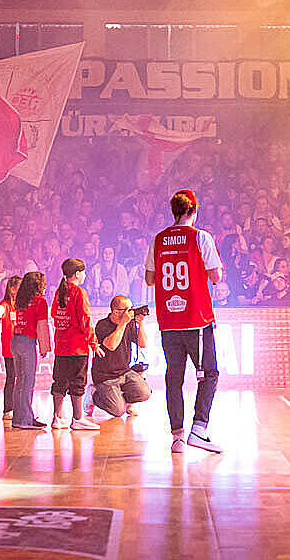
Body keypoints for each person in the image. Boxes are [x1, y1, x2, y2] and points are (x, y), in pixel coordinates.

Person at [146, 189, 225, 454]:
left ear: (174, 210)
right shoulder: (201, 237)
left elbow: (150, 279)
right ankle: (199, 430)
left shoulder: (158, 240)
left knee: (173, 379)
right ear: (194, 210)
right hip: (196, 320)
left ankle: (177, 436)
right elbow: (216, 276)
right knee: (209, 374)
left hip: (169, 321)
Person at [50, 258, 99, 431]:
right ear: (77, 274)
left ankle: (57, 417)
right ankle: (78, 418)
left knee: (60, 381)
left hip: (61, 347)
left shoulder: (59, 292)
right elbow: (85, 319)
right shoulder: (79, 292)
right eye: (84, 272)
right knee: (78, 382)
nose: (85, 275)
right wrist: (94, 344)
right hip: (77, 348)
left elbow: (54, 314)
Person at [89, 295, 151, 418]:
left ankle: (122, 399)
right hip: (105, 376)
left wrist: (140, 324)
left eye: (132, 309)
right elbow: (111, 346)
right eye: (128, 310)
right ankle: (94, 396)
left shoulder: (130, 324)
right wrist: (122, 324)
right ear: (116, 311)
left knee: (145, 393)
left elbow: (142, 344)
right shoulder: (102, 325)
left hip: (124, 372)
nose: (131, 312)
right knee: (118, 411)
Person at [11, 271, 50, 430]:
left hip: (16, 340)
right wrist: (44, 345)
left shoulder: (21, 300)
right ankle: (25, 419)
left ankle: (20, 417)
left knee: (20, 381)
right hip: (28, 342)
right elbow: (42, 325)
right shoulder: (39, 301)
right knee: (27, 382)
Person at [0, 276, 22, 423]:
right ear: (12, 289)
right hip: (10, 349)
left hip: (22, 348)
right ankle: (8, 409)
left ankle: (20, 408)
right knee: (12, 377)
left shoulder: (22, 306)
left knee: (21, 378)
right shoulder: (5, 305)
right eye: (19, 287)